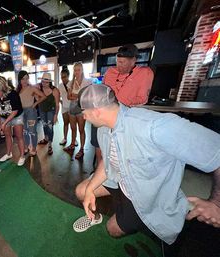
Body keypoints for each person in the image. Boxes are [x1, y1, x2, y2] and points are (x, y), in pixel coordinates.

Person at [72, 84, 220, 247]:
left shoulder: (154, 127)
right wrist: (90, 189)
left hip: (144, 195)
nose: (84, 117)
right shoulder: (103, 128)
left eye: (84, 113)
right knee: (82, 191)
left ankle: (140, 221)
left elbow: (217, 150)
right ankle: (100, 215)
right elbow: (107, 163)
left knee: (112, 229)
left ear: (96, 111)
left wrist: (216, 203)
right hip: (118, 180)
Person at [91, 44, 154, 166]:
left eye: (123, 62)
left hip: (124, 118)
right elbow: (103, 90)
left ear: (133, 61)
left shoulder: (144, 73)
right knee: (98, 142)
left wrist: (120, 104)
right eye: (117, 62)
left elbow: (142, 99)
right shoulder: (110, 72)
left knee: (118, 149)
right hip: (104, 113)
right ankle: (100, 168)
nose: (119, 65)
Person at [0, 77, 26, 166]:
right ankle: (9, 154)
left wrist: (5, 123)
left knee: (19, 136)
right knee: (7, 136)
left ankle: (22, 156)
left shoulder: (12, 94)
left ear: (3, 88)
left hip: (17, 116)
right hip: (4, 116)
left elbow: (15, 111)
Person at [64, 62, 92, 160]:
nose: (76, 72)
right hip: (72, 107)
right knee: (73, 128)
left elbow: (86, 97)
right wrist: (79, 96)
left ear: (82, 70)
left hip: (81, 108)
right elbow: (68, 97)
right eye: (75, 70)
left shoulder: (87, 82)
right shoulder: (70, 82)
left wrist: (75, 96)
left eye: (78, 70)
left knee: (81, 129)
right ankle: (72, 144)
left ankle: (81, 149)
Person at [17, 70, 46, 156]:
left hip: (31, 112)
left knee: (32, 131)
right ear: (19, 80)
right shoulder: (17, 90)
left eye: (26, 78)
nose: (25, 81)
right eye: (23, 79)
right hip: (22, 112)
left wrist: (35, 104)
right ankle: (26, 146)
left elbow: (43, 96)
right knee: (25, 131)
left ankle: (34, 148)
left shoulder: (32, 88)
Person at [37, 73, 60, 155]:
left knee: (50, 127)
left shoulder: (55, 90)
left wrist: (56, 115)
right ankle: (46, 138)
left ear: (50, 82)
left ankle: (50, 144)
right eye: (43, 81)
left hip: (51, 110)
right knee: (44, 125)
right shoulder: (39, 88)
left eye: (46, 82)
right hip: (42, 109)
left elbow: (57, 104)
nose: (44, 84)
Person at [57, 67, 71, 146]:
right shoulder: (60, 85)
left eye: (64, 77)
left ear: (68, 76)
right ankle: (65, 138)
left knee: (73, 125)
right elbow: (57, 95)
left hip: (72, 107)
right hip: (64, 107)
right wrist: (60, 101)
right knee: (65, 123)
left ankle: (74, 139)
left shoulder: (72, 83)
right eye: (62, 77)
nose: (63, 79)